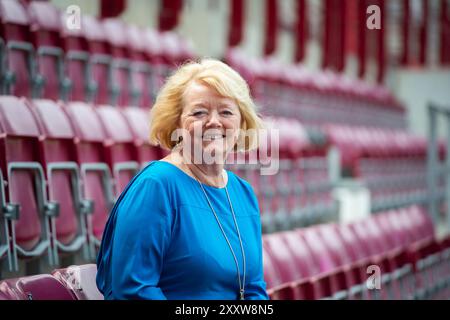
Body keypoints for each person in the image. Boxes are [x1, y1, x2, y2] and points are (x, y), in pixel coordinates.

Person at [96, 59, 269, 300]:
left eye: (226, 111)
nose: (214, 122)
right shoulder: (156, 186)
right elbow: (134, 290)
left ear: (241, 123)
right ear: (176, 121)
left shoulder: (243, 192)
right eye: (199, 112)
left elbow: (253, 289)